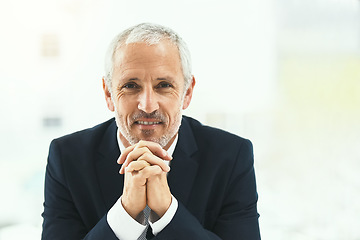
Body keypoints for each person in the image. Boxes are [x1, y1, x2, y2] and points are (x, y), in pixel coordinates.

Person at [41, 23, 261, 240]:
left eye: (163, 85)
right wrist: (124, 214)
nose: (148, 105)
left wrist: (168, 212)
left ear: (187, 93)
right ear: (108, 94)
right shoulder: (67, 157)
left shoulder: (232, 156)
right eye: (130, 86)